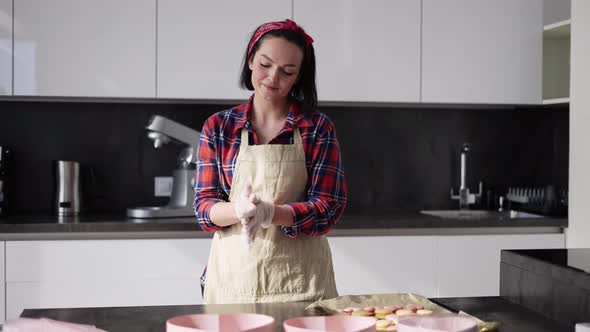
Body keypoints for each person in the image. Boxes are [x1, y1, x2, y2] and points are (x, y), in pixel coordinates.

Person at [193, 19, 347, 304]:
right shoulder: (219, 127)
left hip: (303, 284)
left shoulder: (317, 128)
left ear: (298, 76)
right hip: (233, 281)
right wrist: (239, 209)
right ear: (251, 59)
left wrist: (271, 213)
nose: (273, 78)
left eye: (287, 71)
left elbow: (328, 209)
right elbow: (204, 209)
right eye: (265, 64)